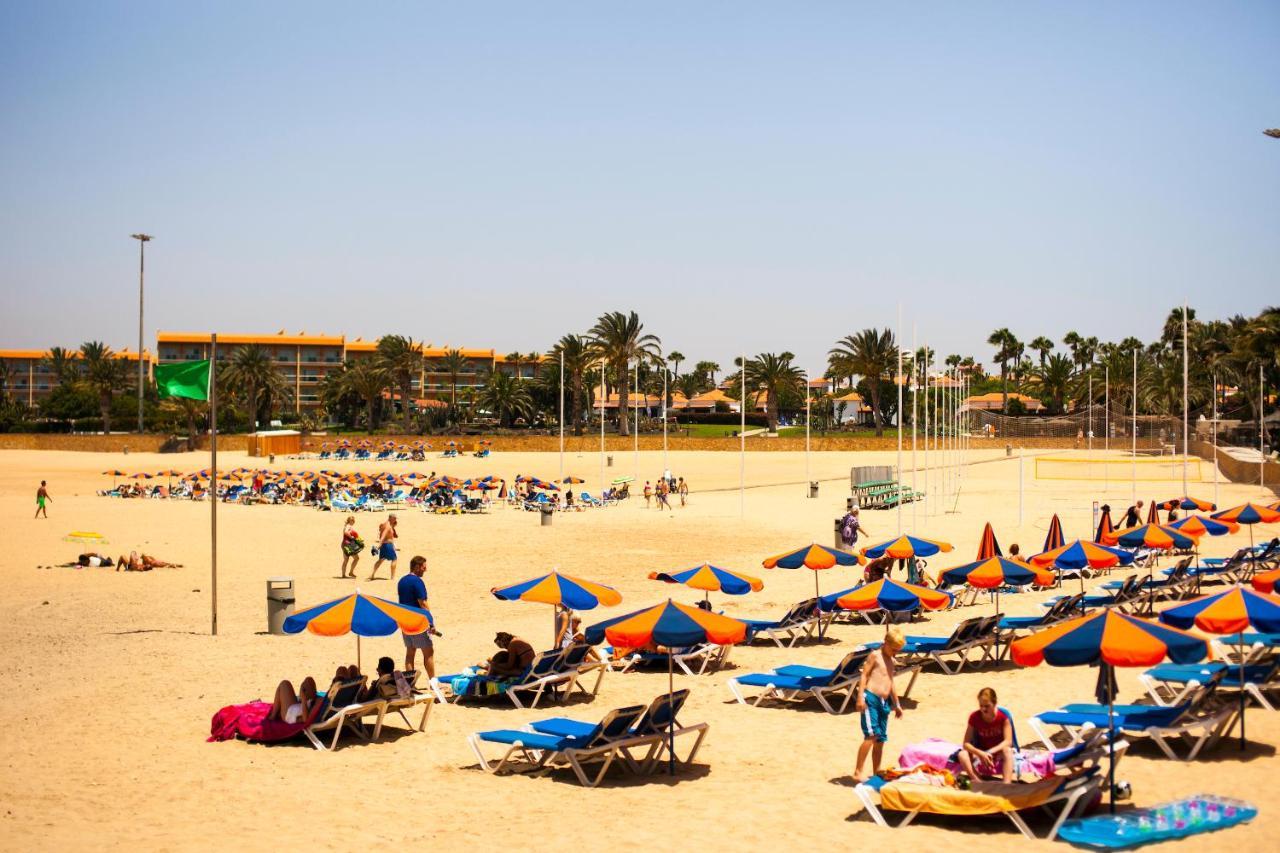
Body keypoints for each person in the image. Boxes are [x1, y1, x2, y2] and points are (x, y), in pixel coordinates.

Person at [854, 626, 905, 782]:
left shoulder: (891, 660)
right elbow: (864, 676)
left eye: (898, 650)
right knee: (872, 734)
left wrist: (897, 703)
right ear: (885, 643)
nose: (895, 653)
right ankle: (858, 771)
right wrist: (860, 697)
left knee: (880, 739)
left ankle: (876, 772)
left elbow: (891, 682)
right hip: (870, 698)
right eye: (894, 649)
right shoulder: (875, 656)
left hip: (884, 703)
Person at [952, 687, 1015, 783]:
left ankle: (1006, 784)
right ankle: (978, 780)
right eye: (981, 705)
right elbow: (966, 743)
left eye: (987, 706)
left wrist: (990, 751)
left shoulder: (1003, 717)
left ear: (994, 703)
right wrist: (980, 753)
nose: (983, 709)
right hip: (982, 751)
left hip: (998, 752)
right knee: (962, 754)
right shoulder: (974, 717)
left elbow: (1008, 741)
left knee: (1007, 751)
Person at [397, 555, 436, 679]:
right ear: (417, 567)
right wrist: (431, 622)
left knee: (410, 652)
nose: (425, 570)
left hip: (404, 621)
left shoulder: (401, 581)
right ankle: (433, 683)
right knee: (428, 652)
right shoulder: (417, 582)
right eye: (424, 567)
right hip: (417, 622)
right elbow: (423, 604)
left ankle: (410, 683)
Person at [368, 514, 399, 580]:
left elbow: (381, 533)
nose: (395, 520)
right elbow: (383, 536)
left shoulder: (384, 524)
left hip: (384, 545)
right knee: (394, 559)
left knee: (381, 560)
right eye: (395, 519)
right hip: (387, 545)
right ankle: (392, 577)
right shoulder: (388, 526)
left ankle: (372, 574)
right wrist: (378, 546)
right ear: (391, 518)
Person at [116, 551, 182, 571]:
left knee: (128, 555)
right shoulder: (147, 564)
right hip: (130, 567)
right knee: (124, 556)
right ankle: (117, 569)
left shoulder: (140, 567)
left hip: (131, 567)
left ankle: (117, 569)